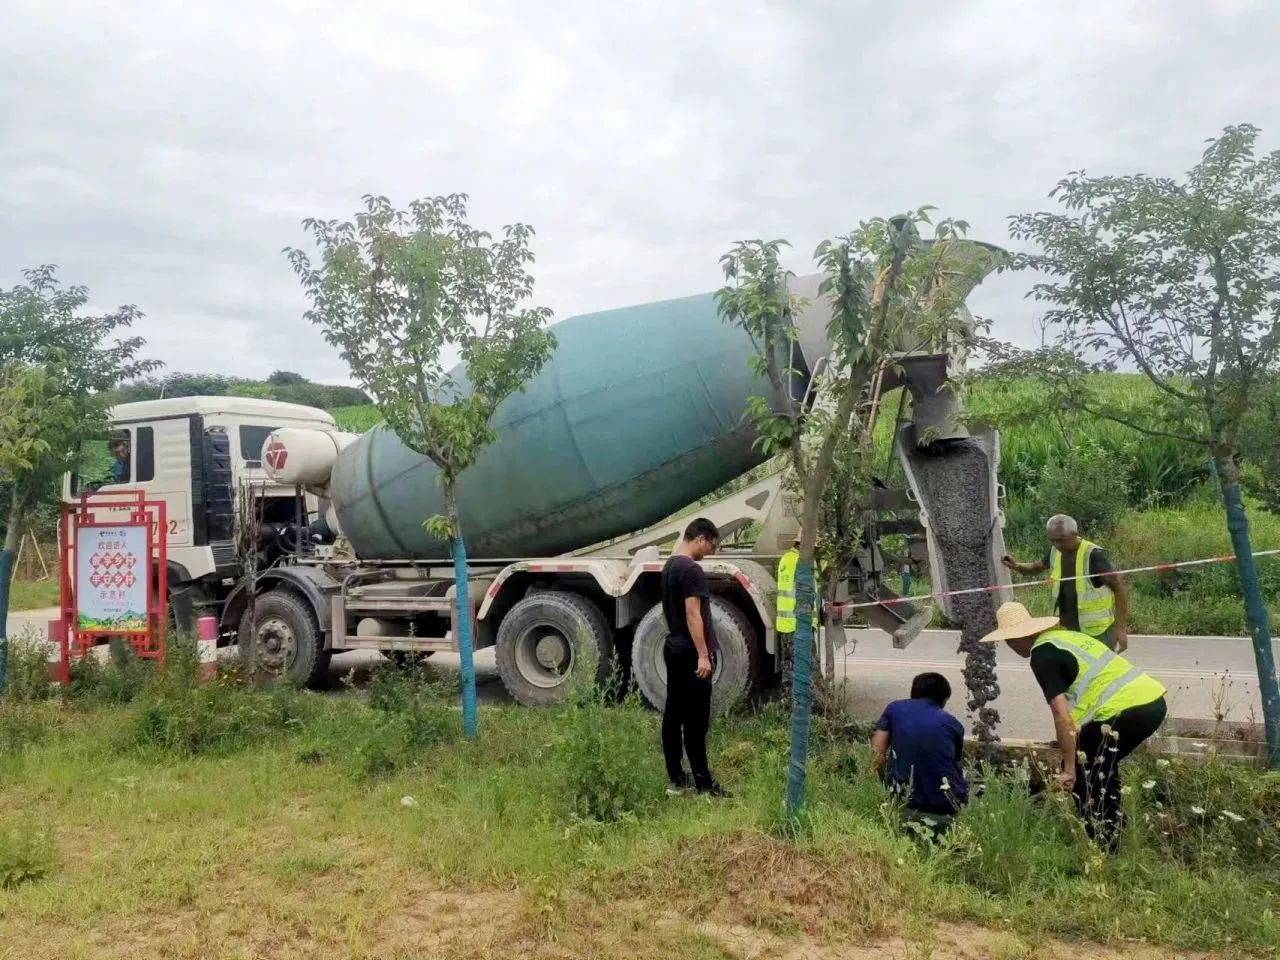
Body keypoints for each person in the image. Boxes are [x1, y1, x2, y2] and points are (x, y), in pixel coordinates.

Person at [982, 601, 1167, 851]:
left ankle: (1101, 845)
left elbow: (1062, 717)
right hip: (1152, 702)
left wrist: (1068, 769)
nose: (1010, 645)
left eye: (1009, 640)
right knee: (1100, 765)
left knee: (1082, 769)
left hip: (1127, 711)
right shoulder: (1065, 638)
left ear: (1019, 637)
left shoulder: (1042, 656)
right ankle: (1113, 831)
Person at [661, 517, 728, 797]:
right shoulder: (691, 570)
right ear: (700, 538)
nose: (710, 551)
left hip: (674, 647)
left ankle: (677, 780)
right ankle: (704, 785)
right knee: (697, 719)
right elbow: (693, 614)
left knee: (673, 714)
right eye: (711, 545)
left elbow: (670, 611)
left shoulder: (669, 566)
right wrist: (703, 655)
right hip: (691, 653)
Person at [1002, 513, 1130, 652]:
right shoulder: (1055, 551)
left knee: (1099, 672)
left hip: (1097, 633)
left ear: (1074, 534)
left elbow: (1119, 588)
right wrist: (1016, 566)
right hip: (1067, 631)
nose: (1057, 545)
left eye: (1061, 540)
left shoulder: (1093, 555)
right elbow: (1036, 567)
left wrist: (1120, 628)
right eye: (1053, 541)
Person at [872, 672, 968, 827]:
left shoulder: (894, 709)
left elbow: (876, 754)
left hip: (905, 802)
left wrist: (882, 787)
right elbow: (953, 764)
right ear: (943, 701)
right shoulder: (954, 725)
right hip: (948, 806)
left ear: (913, 693)